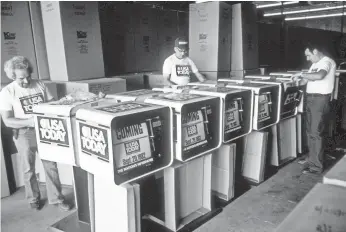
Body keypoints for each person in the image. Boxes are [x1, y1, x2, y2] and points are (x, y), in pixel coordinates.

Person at [0, 56, 71, 211]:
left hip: (45, 129)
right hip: (24, 133)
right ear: (12, 76)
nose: (26, 81)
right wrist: (29, 121)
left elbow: (52, 105)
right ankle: (33, 198)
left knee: (50, 165)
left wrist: (62, 103)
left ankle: (57, 198)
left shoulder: (39, 84)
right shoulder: (7, 92)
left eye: (28, 76)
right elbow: (7, 121)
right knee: (28, 168)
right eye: (21, 78)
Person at [292, 42, 336, 174]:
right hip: (311, 99)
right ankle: (311, 158)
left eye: (308, 55)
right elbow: (306, 80)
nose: (307, 59)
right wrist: (291, 83)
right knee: (309, 131)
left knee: (316, 133)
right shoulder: (315, 64)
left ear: (315, 51)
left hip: (320, 100)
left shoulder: (326, 62)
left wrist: (301, 75)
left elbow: (319, 76)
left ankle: (316, 166)